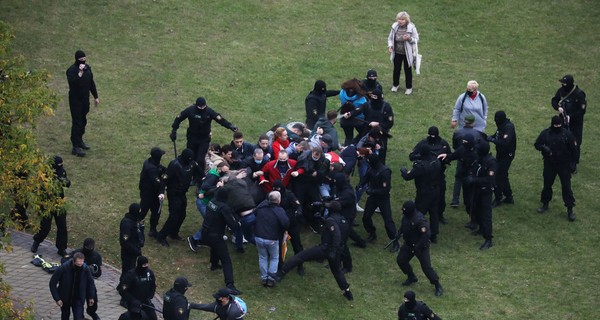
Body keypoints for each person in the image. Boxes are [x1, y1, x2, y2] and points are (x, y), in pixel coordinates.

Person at [276, 201, 354, 301]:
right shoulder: (343, 221)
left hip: (325, 249)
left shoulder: (331, 220)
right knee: (337, 271)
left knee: (300, 256)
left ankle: (280, 273)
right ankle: (347, 292)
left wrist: (332, 250)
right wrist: (322, 219)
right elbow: (340, 233)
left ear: (331, 210)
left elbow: (336, 235)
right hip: (337, 251)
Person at [170, 97, 237, 178]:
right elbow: (179, 118)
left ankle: (199, 177)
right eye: (200, 107)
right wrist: (174, 130)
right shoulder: (190, 110)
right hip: (192, 137)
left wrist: (230, 126)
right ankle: (190, 174)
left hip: (204, 139)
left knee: (200, 159)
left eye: (203, 107)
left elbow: (220, 119)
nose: (202, 108)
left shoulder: (209, 111)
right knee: (191, 157)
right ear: (196, 106)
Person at [197, 188, 243, 294]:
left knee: (214, 247)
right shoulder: (224, 207)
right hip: (216, 235)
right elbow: (232, 224)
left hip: (205, 232)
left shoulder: (212, 201)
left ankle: (214, 264)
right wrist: (238, 222)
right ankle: (230, 284)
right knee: (226, 260)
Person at [534, 116, 578, 221]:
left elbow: (574, 150)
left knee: (566, 187)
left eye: (559, 125)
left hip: (564, 164)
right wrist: (544, 148)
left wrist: (573, 164)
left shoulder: (567, 135)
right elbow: (537, 144)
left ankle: (570, 209)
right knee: (547, 184)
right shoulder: (546, 133)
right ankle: (545, 203)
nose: (557, 127)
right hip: (550, 163)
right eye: (556, 125)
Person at [395, 201, 443, 296]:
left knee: (426, 267)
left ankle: (437, 285)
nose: (403, 212)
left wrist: (418, 247)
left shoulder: (419, 220)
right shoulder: (407, 216)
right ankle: (411, 277)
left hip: (420, 247)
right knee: (401, 260)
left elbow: (426, 234)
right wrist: (399, 233)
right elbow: (403, 225)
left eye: (404, 210)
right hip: (409, 245)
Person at [156, 148, 199, 247]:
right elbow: (164, 178)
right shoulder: (174, 165)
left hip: (182, 193)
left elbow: (199, 171)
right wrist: (161, 192)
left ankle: (174, 233)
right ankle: (162, 236)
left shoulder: (191, 163)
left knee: (182, 214)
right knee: (174, 216)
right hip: (174, 193)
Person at [401, 144, 443, 243]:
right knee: (434, 213)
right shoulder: (436, 161)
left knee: (418, 214)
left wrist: (403, 171)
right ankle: (434, 235)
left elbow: (408, 176)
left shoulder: (420, 166)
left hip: (424, 192)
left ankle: (417, 232)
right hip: (436, 190)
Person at [409, 127, 451, 224]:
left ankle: (439, 215)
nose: (432, 137)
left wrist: (444, 160)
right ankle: (418, 216)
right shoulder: (423, 144)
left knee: (441, 196)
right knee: (420, 197)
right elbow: (412, 156)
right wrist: (422, 156)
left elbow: (449, 156)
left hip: (439, 174)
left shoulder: (443, 144)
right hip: (424, 176)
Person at [31, 155, 71, 256]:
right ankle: (37, 241)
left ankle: (61, 248)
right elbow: (37, 188)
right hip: (46, 203)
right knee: (45, 226)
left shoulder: (61, 171)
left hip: (59, 202)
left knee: (62, 227)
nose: (60, 167)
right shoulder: (44, 174)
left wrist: (63, 181)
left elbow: (67, 183)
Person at [360, 154, 397, 252]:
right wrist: (361, 184)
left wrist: (372, 191)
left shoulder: (384, 172)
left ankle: (395, 241)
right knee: (366, 217)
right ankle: (372, 233)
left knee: (388, 221)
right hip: (373, 198)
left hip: (383, 199)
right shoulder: (371, 168)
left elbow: (386, 189)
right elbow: (366, 177)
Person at [66, 50, 99, 157]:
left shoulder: (88, 69)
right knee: (77, 122)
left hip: (85, 99)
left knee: (83, 120)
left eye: (84, 60)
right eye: (81, 60)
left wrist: (95, 96)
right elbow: (72, 82)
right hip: (75, 100)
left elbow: (91, 83)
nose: (83, 62)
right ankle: (75, 146)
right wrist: (79, 73)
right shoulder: (71, 70)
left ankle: (80, 140)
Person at [253, 191, 289, 287]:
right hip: (272, 239)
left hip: (258, 237)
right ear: (278, 200)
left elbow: (254, 213)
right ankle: (271, 279)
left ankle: (264, 278)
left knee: (262, 257)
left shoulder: (261, 207)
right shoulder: (279, 210)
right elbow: (286, 223)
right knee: (274, 258)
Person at [465, 141, 497, 250]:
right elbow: (473, 169)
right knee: (476, 209)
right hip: (477, 189)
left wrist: (475, 180)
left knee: (486, 215)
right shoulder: (478, 158)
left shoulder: (491, 162)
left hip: (485, 191)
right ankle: (481, 228)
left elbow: (489, 180)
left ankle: (488, 239)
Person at [49, 252, 96, 320]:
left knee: (78, 317)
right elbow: (52, 283)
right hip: (65, 297)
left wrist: (91, 296)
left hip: (78, 298)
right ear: (73, 261)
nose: (80, 266)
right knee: (65, 316)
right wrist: (57, 298)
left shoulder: (85, 269)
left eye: (81, 264)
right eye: (78, 264)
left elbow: (90, 283)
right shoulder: (64, 268)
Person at [551, 74, 586, 163]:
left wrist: (571, 116)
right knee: (561, 138)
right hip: (563, 119)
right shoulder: (561, 91)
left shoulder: (579, 94)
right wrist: (558, 108)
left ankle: (574, 161)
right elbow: (554, 100)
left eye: (564, 83)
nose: (562, 85)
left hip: (575, 122)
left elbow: (582, 110)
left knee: (575, 141)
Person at [487, 111, 516, 207]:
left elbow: (505, 142)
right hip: (501, 153)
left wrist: (493, 140)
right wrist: (488, 137)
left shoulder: (508, 128)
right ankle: (508, 196)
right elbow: (497, 135)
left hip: (507, 155)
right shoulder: (502, 126)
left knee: (499, 175)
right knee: (503, 175)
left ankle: (498, 198)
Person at [70, 238, 102, 320]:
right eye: (88, 248)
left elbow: (99, 272)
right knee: (78, 304)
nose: (89, 250)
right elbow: (66, 261)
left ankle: (91, 313)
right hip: (78, 283)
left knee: (93, 301)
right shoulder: (77, 253)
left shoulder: (96, 256)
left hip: (89, 283)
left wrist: (93, 271)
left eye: (91, 248)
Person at [387, 11, 419, 95]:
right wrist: (390, 46)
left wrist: (409, 38)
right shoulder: (394, 27)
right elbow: (390, 38)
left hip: (407, 54)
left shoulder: (411, 28)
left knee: (407, 70)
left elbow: (416, 39)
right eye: (399, 19)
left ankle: (409, 88)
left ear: (406, 20)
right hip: (397, 52)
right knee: (396, 69)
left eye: (402, 19)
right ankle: (395, 85)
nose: (400, 21)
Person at [118, 203, 144, 304]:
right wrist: (135, 250)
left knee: (128, 272)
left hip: (134, 252)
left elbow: (138, 235)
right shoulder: (127, 223)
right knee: (128, 274)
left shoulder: (135, 221)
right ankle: (124, 297)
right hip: (128, 253)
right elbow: (125, 241)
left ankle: (121, 286)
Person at [138, 147, 167, 238]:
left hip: (147, 191)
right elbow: (158, 183)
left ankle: (152, 229)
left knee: (155, 212)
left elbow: (160, 168)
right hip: (149, 194)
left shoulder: (148, 162)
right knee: (146, 211)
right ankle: (137, 226)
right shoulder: (152, 170)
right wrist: (165, 178)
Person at [120, 256, 157, 320]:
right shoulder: (131, 275)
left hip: (146, 302)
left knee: (153, 317)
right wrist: (132, 300)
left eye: (146, 264)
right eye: (144, 265)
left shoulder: (149, 273)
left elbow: (153, 286)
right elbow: (123, 290)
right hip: (135, 304)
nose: (146, 266)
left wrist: (150, 296)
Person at [362, 89, 394, 163]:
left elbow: (390, 123)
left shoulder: (386, 107)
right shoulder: (367, 105)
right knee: (366, 149)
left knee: (382, 151)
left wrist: (378, 124)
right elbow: (359, 110)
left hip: (381, 132)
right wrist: (350, 113)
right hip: (368, 132)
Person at [339, 78, 368, 146]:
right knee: (363, 134)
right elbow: (361, 109)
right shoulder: (362, 99)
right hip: (358, 120)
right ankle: (356, 145)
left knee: (348, 137)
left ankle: (346, 150)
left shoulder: (342, 94)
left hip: (345, 119)